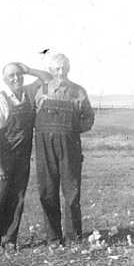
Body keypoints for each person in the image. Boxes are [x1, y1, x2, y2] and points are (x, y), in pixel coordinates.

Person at [0, 61, 50, 252]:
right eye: (11, 76)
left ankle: (9, 239)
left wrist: (29, 69)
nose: (16, 78)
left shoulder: (28, 93)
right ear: (4, 80)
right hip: (2, 157)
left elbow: (47, 78)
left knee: (17, 198)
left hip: (22, 157)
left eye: (19, 74)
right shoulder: (0, 99)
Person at [34, 51, 94, 246]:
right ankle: (53, 237)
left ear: (69, 69)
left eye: (64, 68)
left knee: (71, 192)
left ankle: (73, 236)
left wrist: (72, 130)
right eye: (57, 69)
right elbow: (33, 115)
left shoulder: (78, 91)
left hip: (70, 146)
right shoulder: (41, 90)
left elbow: (89, 118)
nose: (61, 72)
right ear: (51, 70)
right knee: (47, 191)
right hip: (45, 146)